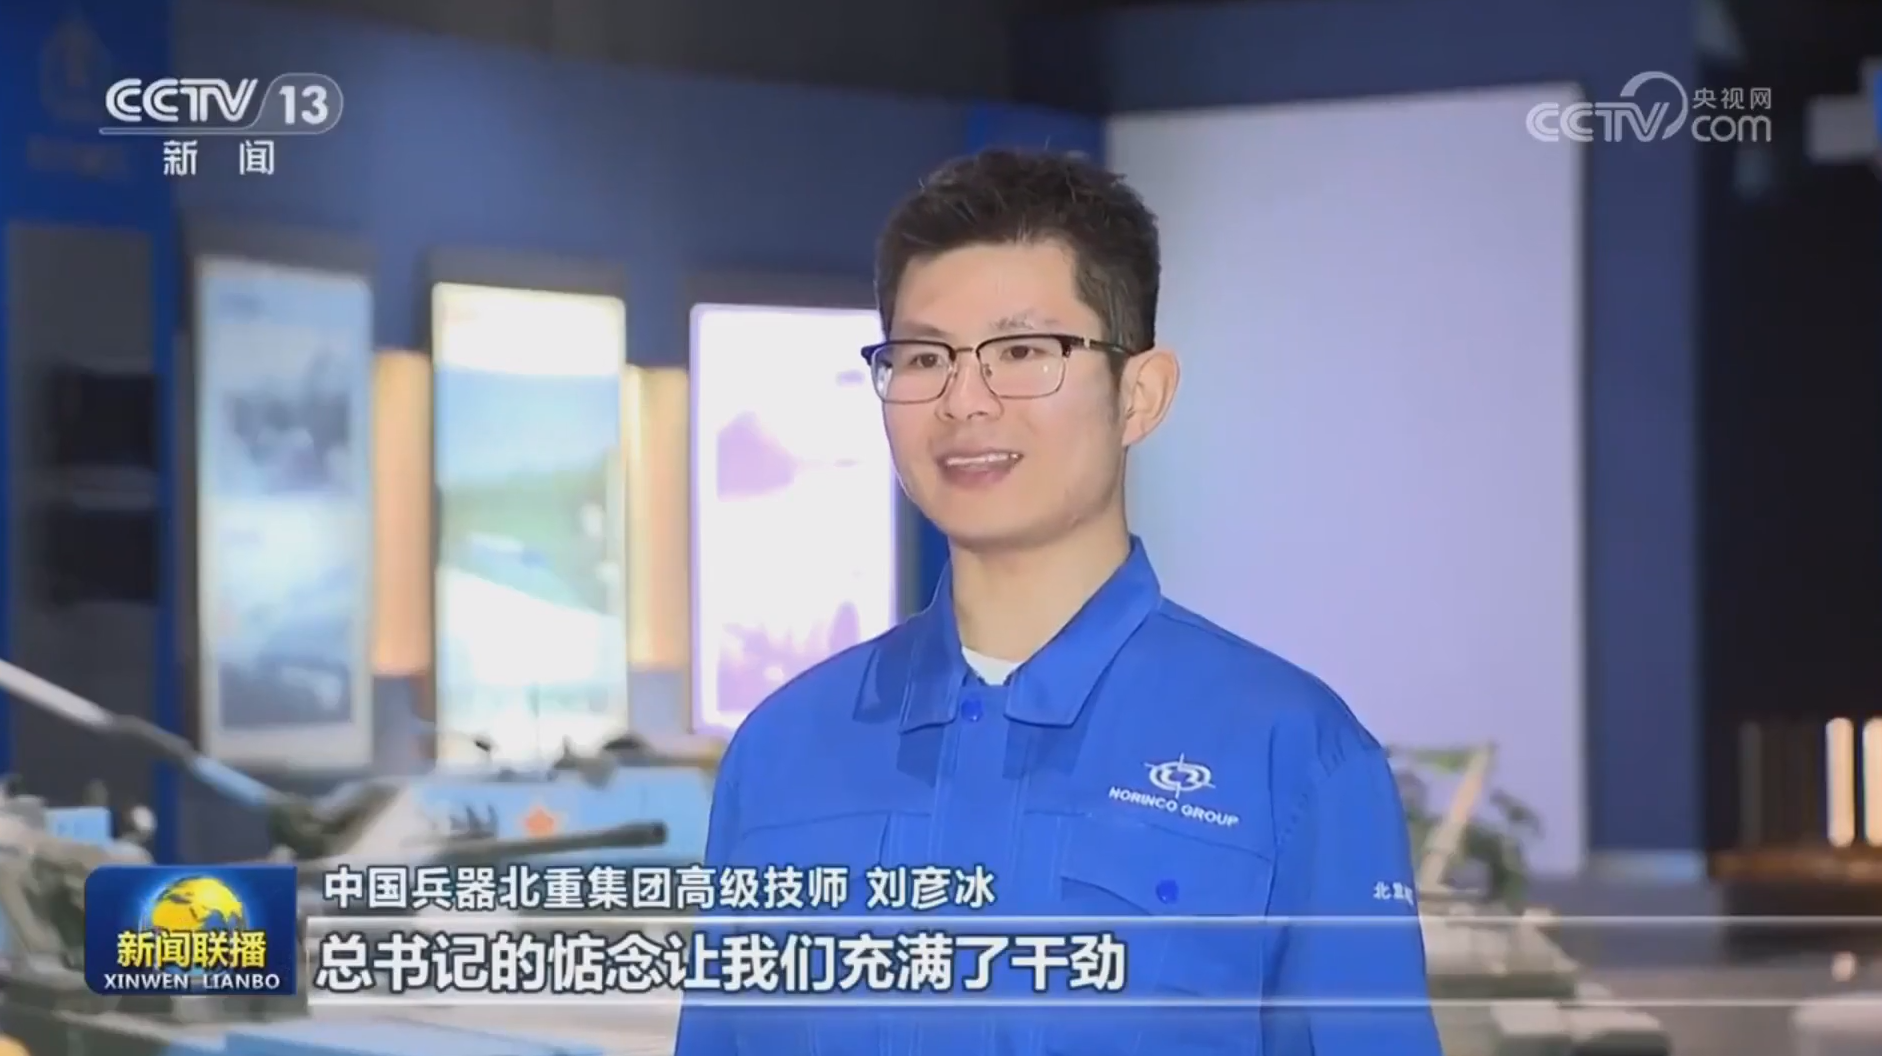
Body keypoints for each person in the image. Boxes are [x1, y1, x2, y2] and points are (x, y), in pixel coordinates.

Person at [673, 149, 1441, 1056]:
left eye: (1023, 353)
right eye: (923, 357)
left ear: (1140, 395)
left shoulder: (1294, 757)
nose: (964, 401)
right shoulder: (781, 752)